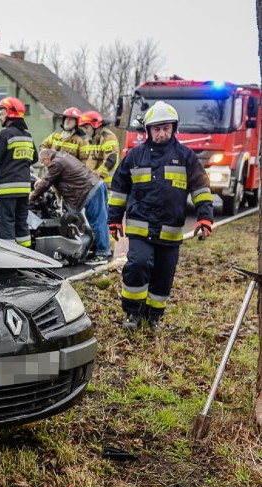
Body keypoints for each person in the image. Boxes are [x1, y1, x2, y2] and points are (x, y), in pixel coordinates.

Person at [108, 100, 214, 330]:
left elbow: (201, 188)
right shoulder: (134, 157)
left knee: (163, 276)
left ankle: (152, 317)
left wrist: (205, 217)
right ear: (147, 130)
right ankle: (132, 315)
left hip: (171, 231)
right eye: (157, 128)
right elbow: (119, 190)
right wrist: (114, 220)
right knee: (137, 265)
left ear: (174, 128)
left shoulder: (186, 157)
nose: (162, 133)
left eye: (166, 127)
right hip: (139, 228)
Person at [30, 148, 112, 265]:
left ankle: (103, 253)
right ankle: (101, 250)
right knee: (99, 221)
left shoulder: (56, 162)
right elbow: (52, 177)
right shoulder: (62, 157)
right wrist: (43, 180)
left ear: (46, 158)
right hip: (95, 186)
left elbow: (47, 182)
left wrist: (32, 196)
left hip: (90, 190)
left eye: (43, 162)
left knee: (98, 222)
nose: (43, 165)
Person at [0, 96, 37, 248]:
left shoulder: (5, 135)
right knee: (21, 223)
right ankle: (26, 254)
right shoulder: (27, 136)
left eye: (2, 112)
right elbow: (34, 157)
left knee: (6, 222)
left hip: (7, 188)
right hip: (24, 188)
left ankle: (9, 256)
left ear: (10, 114)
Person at [79, 110, 119, 191]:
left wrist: (96, 176)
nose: (85, 131)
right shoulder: (92, 140)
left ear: (95, 125)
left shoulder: (108, 137)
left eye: (87, 127)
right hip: (94, 185)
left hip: (106, 186)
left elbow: (110, 160)